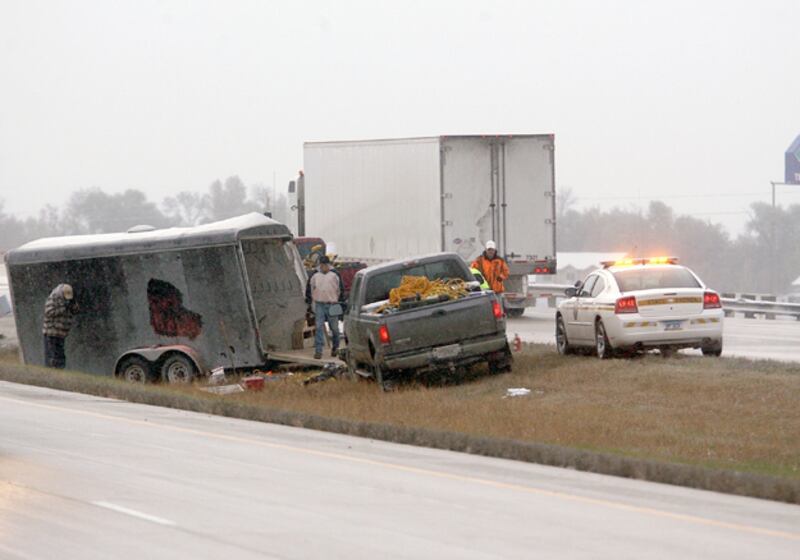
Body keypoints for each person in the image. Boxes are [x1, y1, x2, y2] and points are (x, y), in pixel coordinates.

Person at [305, 256, 344, 359]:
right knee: (318, 327)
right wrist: (309, 302)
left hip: (332, 304)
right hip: (319, 304)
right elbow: (309, 288)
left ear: (328, 265)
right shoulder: (315, 275)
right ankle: (318, 351)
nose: (323, 267)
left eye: (325, 265)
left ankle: (335, 347)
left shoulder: (335, 275)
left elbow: (341, 290)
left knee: (335, 329)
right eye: (321, 265)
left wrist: (340, 302)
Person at [42, 283, 79, 369]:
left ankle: (60, 369)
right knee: (53, 355)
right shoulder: (53, 298)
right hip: (52, 332)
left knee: (60, 354)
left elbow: (76, 311)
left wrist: (73, 305)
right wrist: (64, 308)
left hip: (61, 333)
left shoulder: (69, 299)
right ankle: (52, 369)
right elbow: (49, 312)